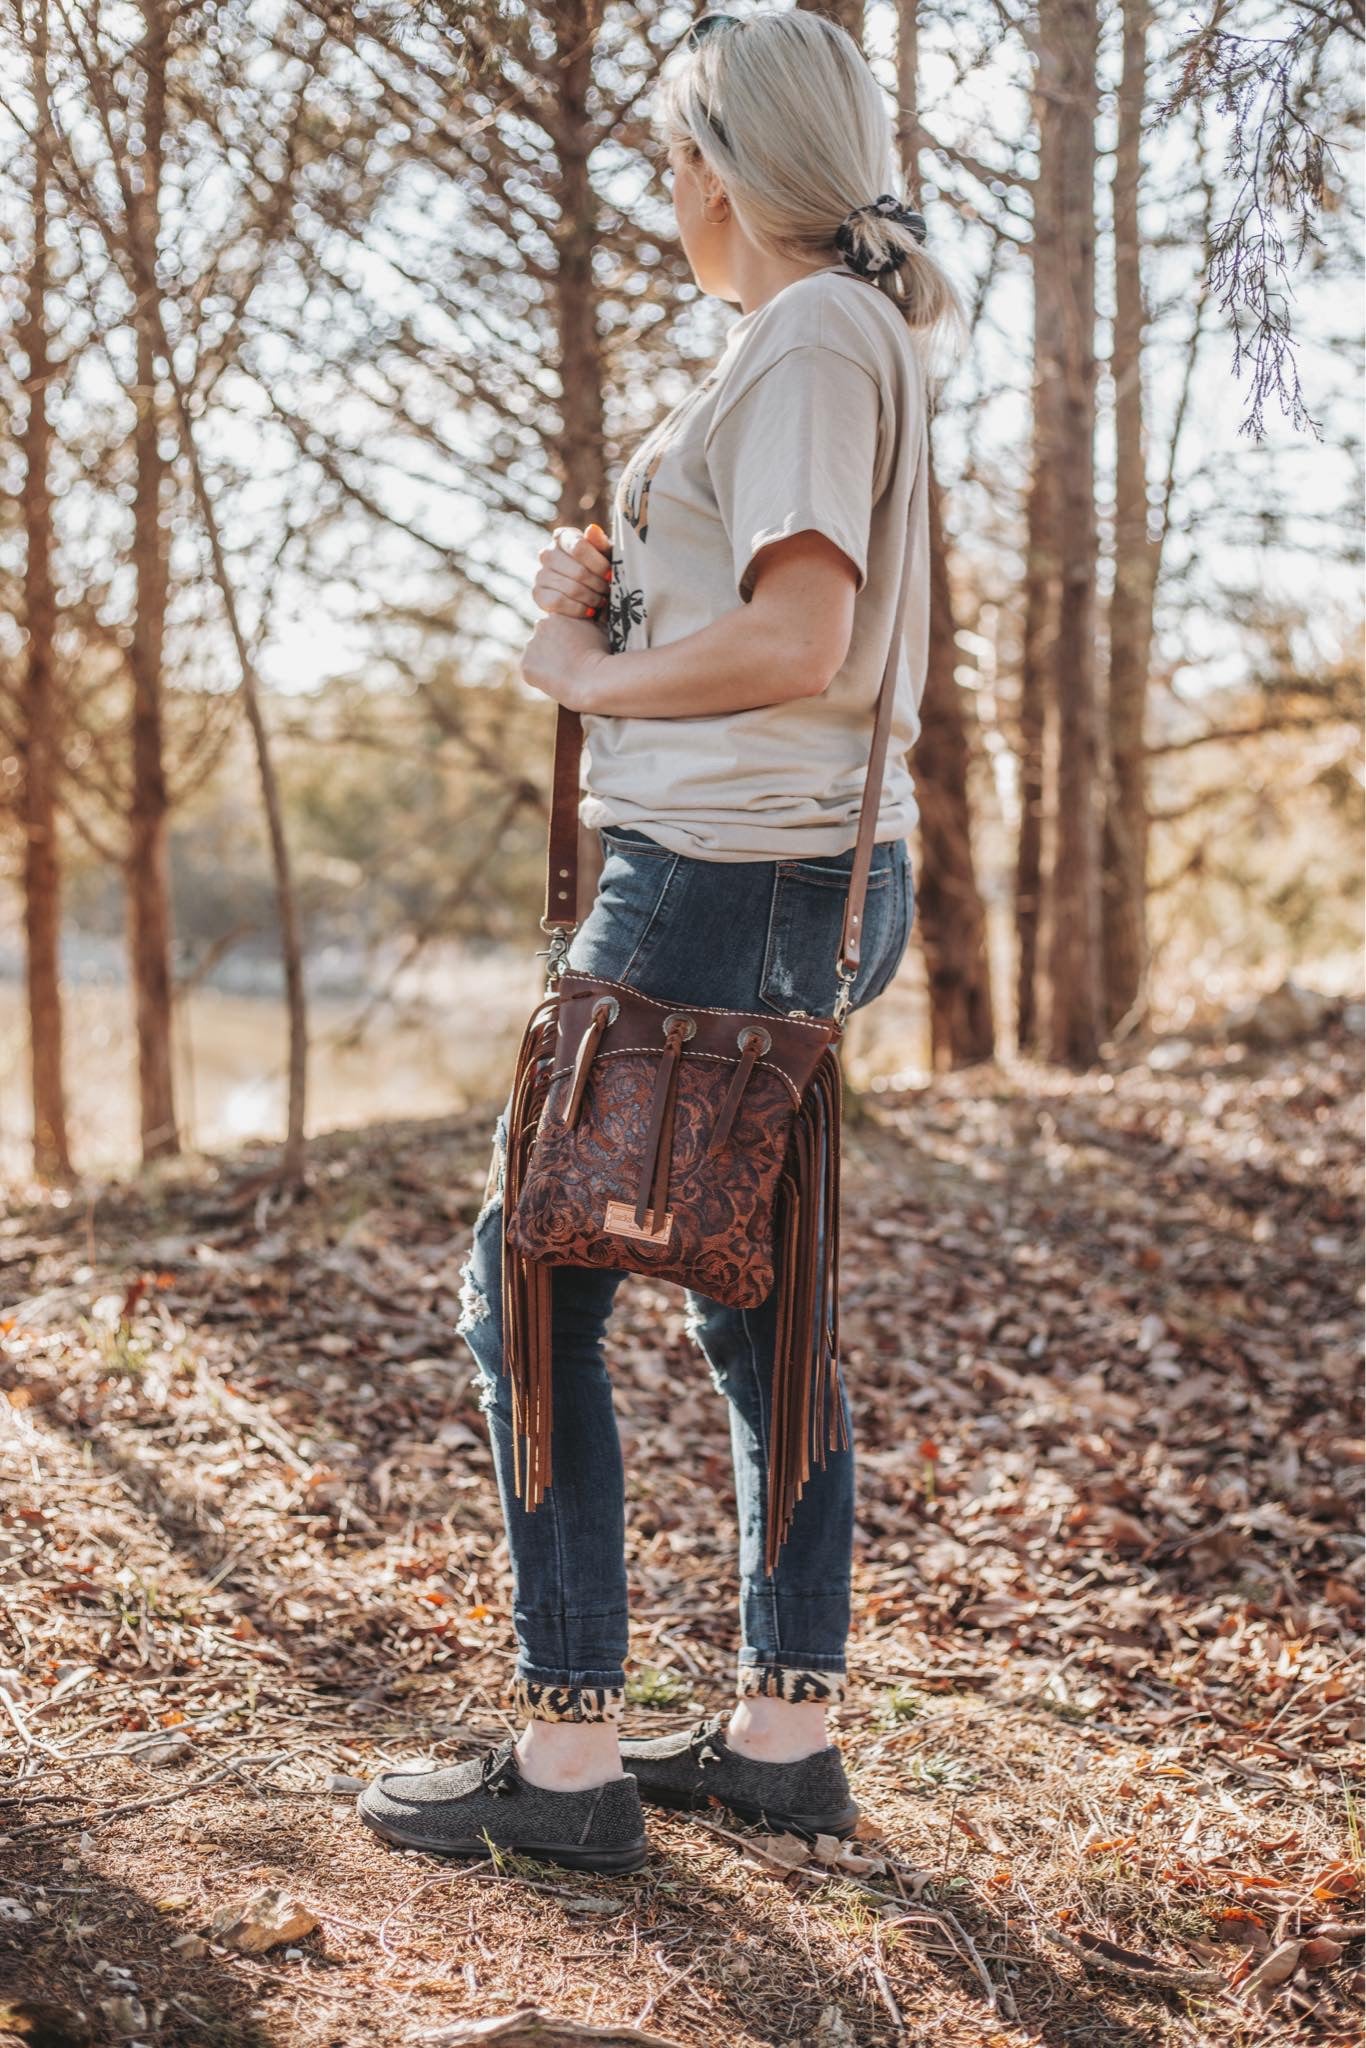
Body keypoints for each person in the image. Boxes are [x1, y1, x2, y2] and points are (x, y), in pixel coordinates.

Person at [358, 6, 967, 1874]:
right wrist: (623, 582)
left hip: (724, 876)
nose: (661, 188)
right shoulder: (832, 340)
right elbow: (783, 616)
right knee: (756, 1301)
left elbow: (799, 639)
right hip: (805, 875)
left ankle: (565, 1769)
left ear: (722, 161)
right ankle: (783, 1736)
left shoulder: (800, 338)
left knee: (531, 1287)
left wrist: (583, 669)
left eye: (670, 154)